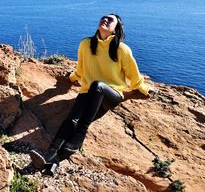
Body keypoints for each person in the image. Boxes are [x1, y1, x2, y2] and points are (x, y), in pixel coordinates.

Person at [30, 13, 154, 172]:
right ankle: (52, 158)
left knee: (96, 87)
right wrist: (71, 78)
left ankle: (81, 133)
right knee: (71, 119)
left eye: (111, 20)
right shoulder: (85, 44)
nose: (106, 20)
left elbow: (134, 75)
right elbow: (80, 69)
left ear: (116, 29)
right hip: (88, 93)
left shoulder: (122, 49)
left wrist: (143, 88)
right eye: (104, 17)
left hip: (111, 95)